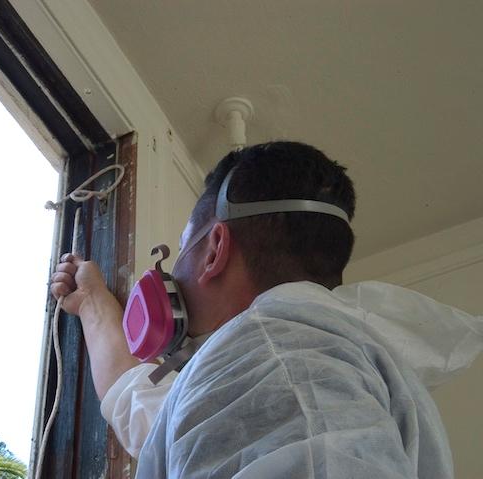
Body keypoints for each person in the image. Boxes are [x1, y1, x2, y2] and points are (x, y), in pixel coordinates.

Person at [49, 141, 483, 478]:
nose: (172, 269)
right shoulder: (288, 363)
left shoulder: (277, 356)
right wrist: (91, 303)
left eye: (184, 247)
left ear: (215, 248)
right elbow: (140, 406)